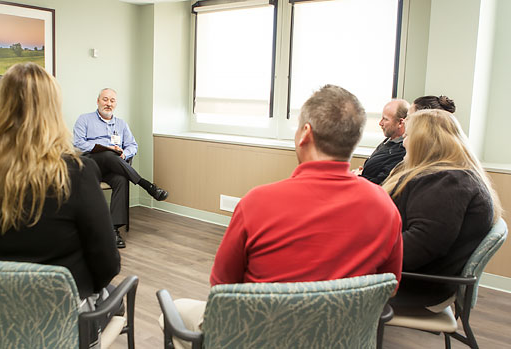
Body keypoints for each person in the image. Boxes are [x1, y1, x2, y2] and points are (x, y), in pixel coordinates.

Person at [163, 85, 403, 348]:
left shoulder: (256, 203)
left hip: (258, 339)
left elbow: (221, 288)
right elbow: (388, 288)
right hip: (340, 340)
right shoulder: (385, 207)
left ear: (305, 134)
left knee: (173, 310)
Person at [0, 63, 120, 346]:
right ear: (53, 111)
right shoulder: (76, 172)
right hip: (57, 325)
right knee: (115, 296)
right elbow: (107, 264)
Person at [382, 108, 501, 312]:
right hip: (419, 278)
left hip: (415, 286)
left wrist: (361, 251)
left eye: (409, 135)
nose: (404, 142)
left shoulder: (449, 184)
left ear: (425, 141)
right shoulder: (452, 177)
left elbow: (418, 248)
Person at [74, 88, 168, 248]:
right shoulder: (84, 119)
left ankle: (114, 230)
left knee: (121, 179)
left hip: (113, 167)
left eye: (112, 100)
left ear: (115, 104)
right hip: (91, 165)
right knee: (108, 154)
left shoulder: (121, 124)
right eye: (105, 99)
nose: (108, 103)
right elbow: (78, 143)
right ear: (98, 101)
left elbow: (133, 145)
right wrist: (105, 147)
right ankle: (147, 185)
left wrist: (124, 154)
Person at [355, 99, 409, 184]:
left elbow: (382, 183)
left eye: (385, 119)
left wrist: (358, 177)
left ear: (400, 122)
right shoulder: (389, 141)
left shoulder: (401, 151)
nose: (380, 123)